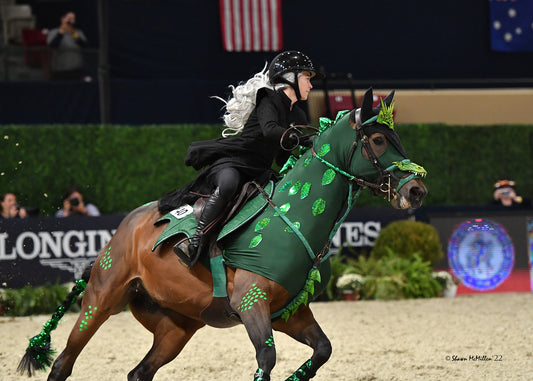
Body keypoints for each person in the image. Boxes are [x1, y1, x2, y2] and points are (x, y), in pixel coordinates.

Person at [162, 51, 322, 266]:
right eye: (307, 78)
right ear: (289, 77)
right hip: (235, 161)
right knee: (228, 185)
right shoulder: (269, 98)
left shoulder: (298, 116)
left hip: (260, 171)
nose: (311, 85)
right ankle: (195, 241)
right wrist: (303, 138)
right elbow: (269, 130)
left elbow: (283, 156)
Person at [46, 11, 88, 80]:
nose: (71, 21)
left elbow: (84, 44)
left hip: (76, 70)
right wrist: (61, 32)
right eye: (69, 18)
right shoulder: (54, 32)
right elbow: (53, 46)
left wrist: (73, 33)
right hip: (60, 70)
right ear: (62, 19)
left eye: (73, 19)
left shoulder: (77, 32)